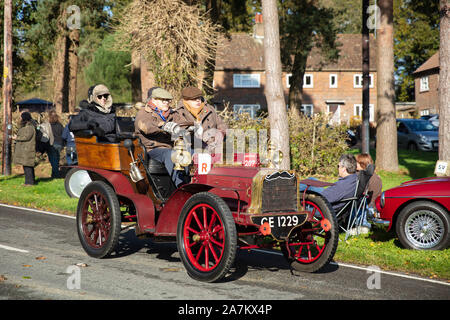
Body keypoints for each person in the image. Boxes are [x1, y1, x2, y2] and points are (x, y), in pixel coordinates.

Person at [134, 87, 185, 187]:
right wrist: (163, 126)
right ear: (153, 100)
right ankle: (181, 187)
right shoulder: (144, 113)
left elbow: (183, 123)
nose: (166, 102)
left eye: (168, 100)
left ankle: (195, 183)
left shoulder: (172, 113)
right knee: (170, 155)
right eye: (163, 100)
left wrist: (193, 128)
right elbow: (146, 127)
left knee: (191, 152)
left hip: (171, 147)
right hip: (152, 149)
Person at [174, 86, 227, 154]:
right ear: (186, 100)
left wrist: (221, 133)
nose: (198, 100)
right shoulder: (179, 113)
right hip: (190, 148)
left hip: (212, 147)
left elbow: (221, 123)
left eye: (199, 98)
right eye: (194, 99)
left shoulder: (209, 109)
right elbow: (181, 132)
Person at [13, 112, 36, 186]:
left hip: (28, 150)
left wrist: (17, 138)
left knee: (28, 167)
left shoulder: (30, 127)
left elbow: (27, 137)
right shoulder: (28, 126)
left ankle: (29, 182)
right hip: (26, 150)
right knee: (27, 166)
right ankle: (30, 181)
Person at [46, 110, 64, 178]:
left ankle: (56, 174)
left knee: (53, 161)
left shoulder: (48, 126)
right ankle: (54, 174)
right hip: (59, 144)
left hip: (52, 144)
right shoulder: (60, 125)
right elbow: (63, 135)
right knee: (56, 159)